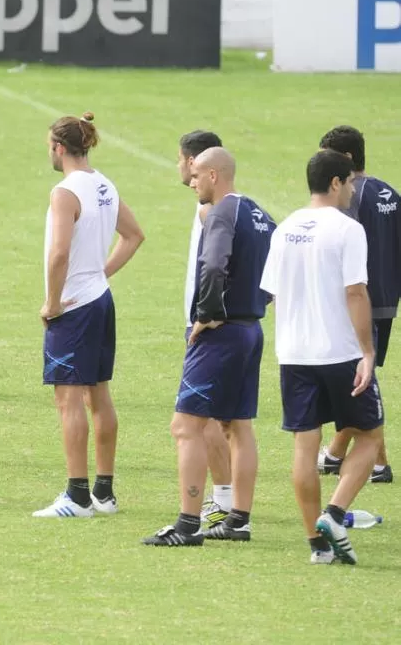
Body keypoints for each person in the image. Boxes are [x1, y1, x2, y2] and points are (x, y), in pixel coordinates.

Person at [143, 148, 274, 545]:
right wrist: (255, 302)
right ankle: (238, 521)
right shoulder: (259, 213)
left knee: (186, 426)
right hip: (250, 331)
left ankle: (187, 525)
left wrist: (207, 314)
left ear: (215, 175)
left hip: (222, 334)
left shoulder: (219, 214)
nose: (192, 181)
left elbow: (214, 266)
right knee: (238, 426)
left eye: (197, 174)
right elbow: (275, 270)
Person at [259, 149, 384, 565]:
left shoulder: (286, 228)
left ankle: (317, 545)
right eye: (348, 181)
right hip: (341, 351)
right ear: (335, 182)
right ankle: (333, 513)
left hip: (294, 354)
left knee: (303, 447)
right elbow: (355, 292)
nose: (351, 189)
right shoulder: (348, 229)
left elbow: (271, 294)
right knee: (369, 436)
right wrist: (367, 351)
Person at [33, 113, 145, 518]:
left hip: (75, 307)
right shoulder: (105, 185)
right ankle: (104, 492)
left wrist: (52, 301)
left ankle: (77, 496)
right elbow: (134, 236)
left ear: (59, 148)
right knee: (98, 394)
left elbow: (59, 252)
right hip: (100, 300)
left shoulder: (64, 192)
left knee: (68, 399)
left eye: (50, 145)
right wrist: (101, 272)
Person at [317, 125, 398, 484]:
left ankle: (338, 454)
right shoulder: (390, 194)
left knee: (358, 379)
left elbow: (341, 250)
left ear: (346, 159)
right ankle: (376, 463)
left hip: (358, 301)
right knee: (363, 375)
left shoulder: (352, 198)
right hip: (385, 302)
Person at [178, 131, 235, 524]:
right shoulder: (222, 208)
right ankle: (229, 499)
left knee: (203, 419)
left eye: (183, 160)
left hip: (206, 325)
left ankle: (223, 498)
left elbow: (216, 267)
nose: (181, 169)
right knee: (223, 419)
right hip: (217, 323)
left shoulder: (209, 211)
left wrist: (205, 314)